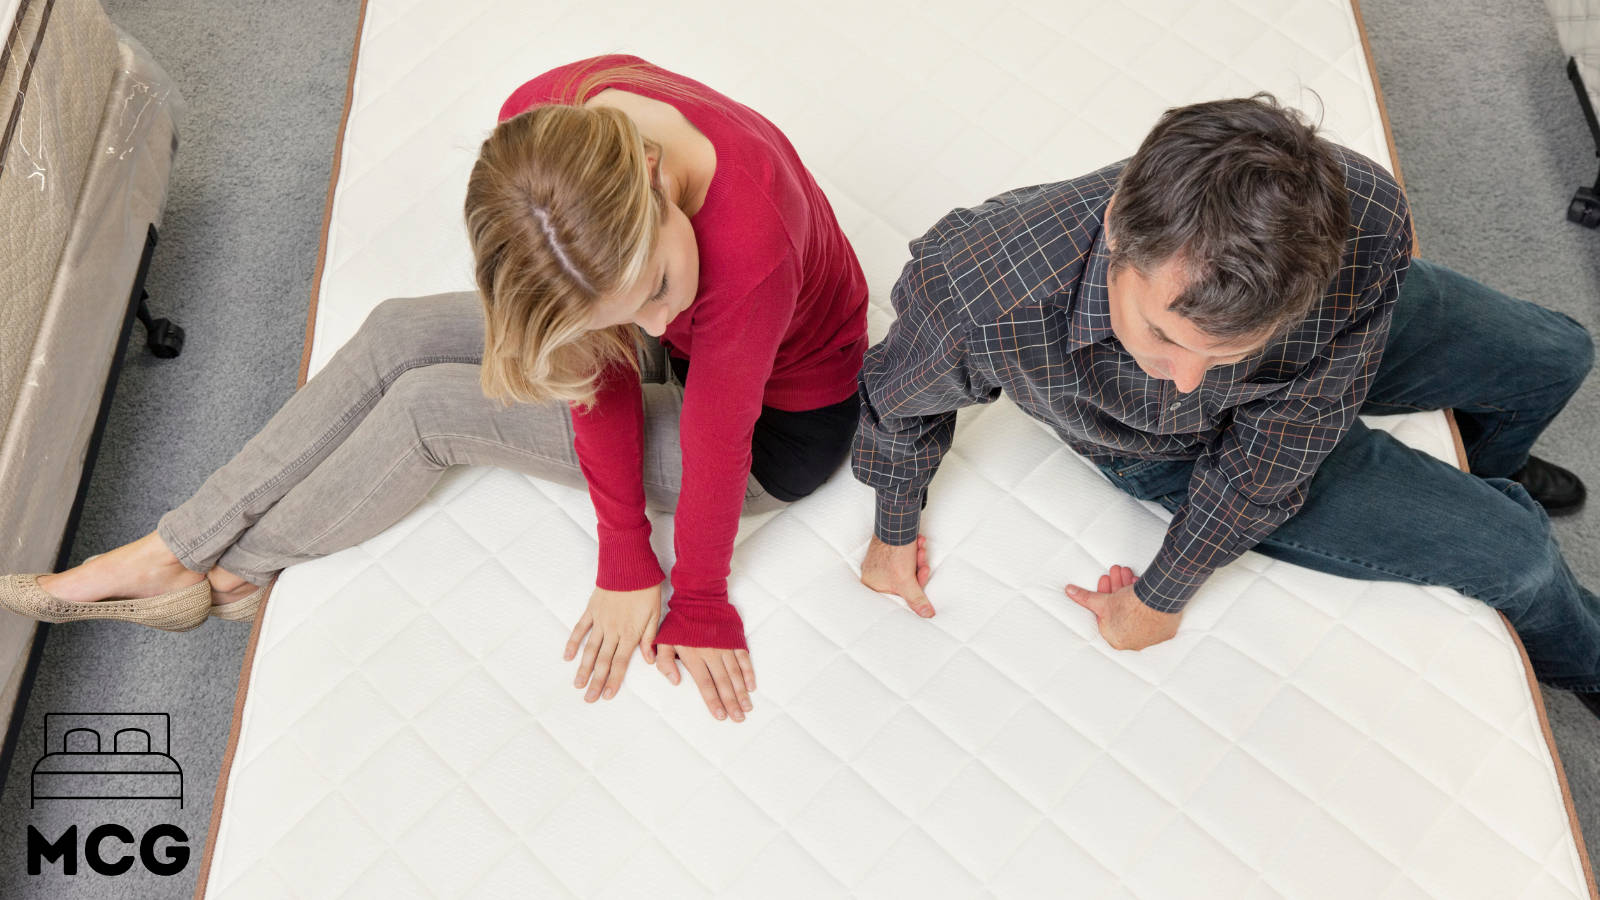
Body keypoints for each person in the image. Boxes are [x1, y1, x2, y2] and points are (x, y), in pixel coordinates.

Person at [0, 54, 869, 724]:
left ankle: (235, 570)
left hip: (777, 426)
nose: (644, 325)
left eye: (656, 288)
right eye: (626, 307)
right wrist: (632, 322)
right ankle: (170, 548)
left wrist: (677, 586)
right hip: (704, 348)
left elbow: (718, 442)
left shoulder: (746, 250)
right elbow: (595, 365)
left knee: (429, 411)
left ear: (650, 174)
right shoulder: (548, 129)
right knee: (398, 331)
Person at [853, 93, 1600, 710]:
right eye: (1160, 335)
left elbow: (1281, 441)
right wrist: (893, 531)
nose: (1185, 383)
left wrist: (1157, 596)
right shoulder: (981, 293)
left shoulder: (1365, 218)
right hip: (1169, 454)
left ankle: (1485, 466)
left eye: (1226, 355)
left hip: (1326, 349)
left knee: (1561, 356)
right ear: (1118, 228)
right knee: (1524, 556)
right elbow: (900, 400)